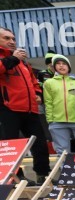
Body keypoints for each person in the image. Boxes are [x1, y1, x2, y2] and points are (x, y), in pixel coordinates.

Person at [0, 27, 51, 184]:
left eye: (13, 39)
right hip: (8, 108)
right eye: (7, 38)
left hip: (30, 109)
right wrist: (13, 59)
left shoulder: (22, 62)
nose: (12, 41)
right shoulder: (12, 59)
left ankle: (43, 175)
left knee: (40, 144)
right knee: (10, 146)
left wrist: (37, 93)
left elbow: (33, 80)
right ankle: (16, 177)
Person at [43, 54, 75, 155]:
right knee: (62, 152)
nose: (61, 66)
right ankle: (65, 170)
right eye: (58, 64)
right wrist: (50, 120)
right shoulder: (49, 83)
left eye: (64, 64)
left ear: (69, 67)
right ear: (54, 67)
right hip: (57, 121)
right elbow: (48, 102)